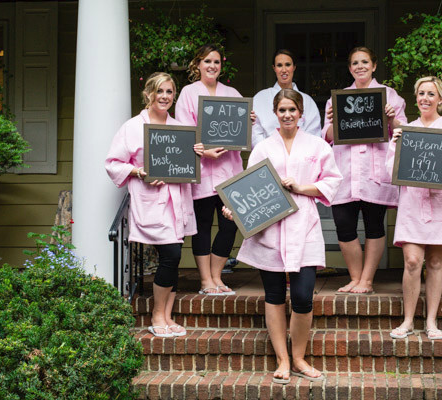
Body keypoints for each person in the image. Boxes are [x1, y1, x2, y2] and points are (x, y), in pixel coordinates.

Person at [223, 89, 342, 384]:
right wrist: (234, 210)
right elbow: (248, 188)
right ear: (275, 113)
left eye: (292, 109)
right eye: (282, 110)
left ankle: (300, 357)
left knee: (302, 297)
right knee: (274, 296)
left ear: (300, 112)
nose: (287, 114)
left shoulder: (317, 146)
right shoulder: (263, 148)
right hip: (270, 229)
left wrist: (301, 187)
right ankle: (283, 359)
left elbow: (332, 181)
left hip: (305, 225)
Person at [105, 72, 200, 337]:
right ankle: (157, 315)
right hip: (152, 200)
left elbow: (184, 166)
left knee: (174, 258)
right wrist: (138, 172)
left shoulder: (180, 127)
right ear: (149, 94)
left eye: (169, 92)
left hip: (176, 201)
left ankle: (167, 317)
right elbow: (113, 163)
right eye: (160, 91)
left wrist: (195, 153)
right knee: (171, 256)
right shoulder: (133, 127)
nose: (165, 97)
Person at [385, 76, 442, 340]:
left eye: (430, 94)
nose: (425, 98)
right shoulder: (408, 130)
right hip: (413, 203)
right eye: (421, 93)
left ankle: (432, 322)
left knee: (436, 262)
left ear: (440, 98)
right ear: (416, 97)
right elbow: (390, 167)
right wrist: (397, 143)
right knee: (413, 261)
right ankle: (408, 321)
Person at [322, 46, 407, 294]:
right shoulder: (337, 99)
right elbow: (326, 136)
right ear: (350, 68)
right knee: (343, 225)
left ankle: (367, 281)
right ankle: (355, 278)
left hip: (374, 171)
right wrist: (335, 119)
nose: (360, 66)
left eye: (365, 62)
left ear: (374, 65)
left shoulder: (389, 96)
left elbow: (402, 133)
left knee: (374, 225)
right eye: (355, 63)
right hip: (345, 171)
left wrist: (391, 119)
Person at [175, 44, 255, 296]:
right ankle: (205, 280)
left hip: (228, 171)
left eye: (217, 62)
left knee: (230, 224)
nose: (212, 66)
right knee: (202, 225)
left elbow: (243, 138)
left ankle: (217, 276)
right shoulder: (189, 93)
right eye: (207, 61)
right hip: (201, 172)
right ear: (197, 64)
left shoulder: (231, 93)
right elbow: (184, 134)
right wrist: (203, 151)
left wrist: (248, 122)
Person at [251, 49, 322, 147]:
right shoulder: (260, 99)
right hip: (268, 157)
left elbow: (314, 135)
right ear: (274, 68)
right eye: (279, 65)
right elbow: (255, 134)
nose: (284, 70)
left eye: (288, 65)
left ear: (294, 67)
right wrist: (268, 154)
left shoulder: (307, 101)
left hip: (301, 157)